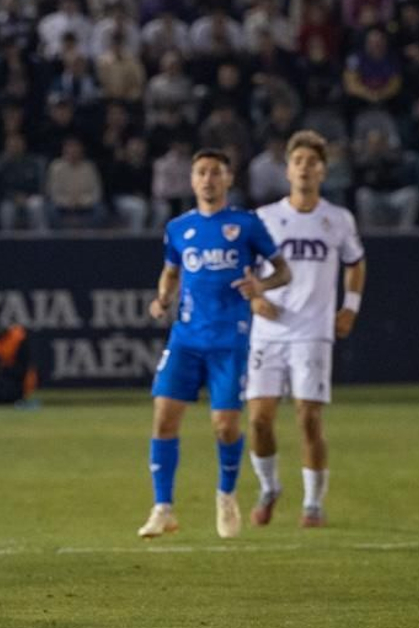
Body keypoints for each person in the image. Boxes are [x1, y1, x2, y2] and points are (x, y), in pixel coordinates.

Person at [141, 149, 290, 540]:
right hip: (186, 338)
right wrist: (162, 298)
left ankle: (226, 496)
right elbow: (171, 272)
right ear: (192, 181)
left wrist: (262, 286)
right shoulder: (178, 228)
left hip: (230, 340)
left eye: (215, 173)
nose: (207, 179)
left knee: (224, 426)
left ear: (228, 179)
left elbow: (283, 270)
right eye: (201, 172)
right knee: (163, 418)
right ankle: (163, 509)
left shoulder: (245, 224)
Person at [245, 131, 366, 529]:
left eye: (312, 163)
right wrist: (255, 298)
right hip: (268, 329)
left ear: (323, 171)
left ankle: (313, 504)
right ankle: (269, 486)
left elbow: (356, 262)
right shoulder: (265, 218)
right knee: (259, 419)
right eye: (298, 161)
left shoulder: (337, 219)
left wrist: (349, 307)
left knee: (308, 417)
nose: (304, 169)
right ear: (288, 169)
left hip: (313, 331)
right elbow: (243, 264)